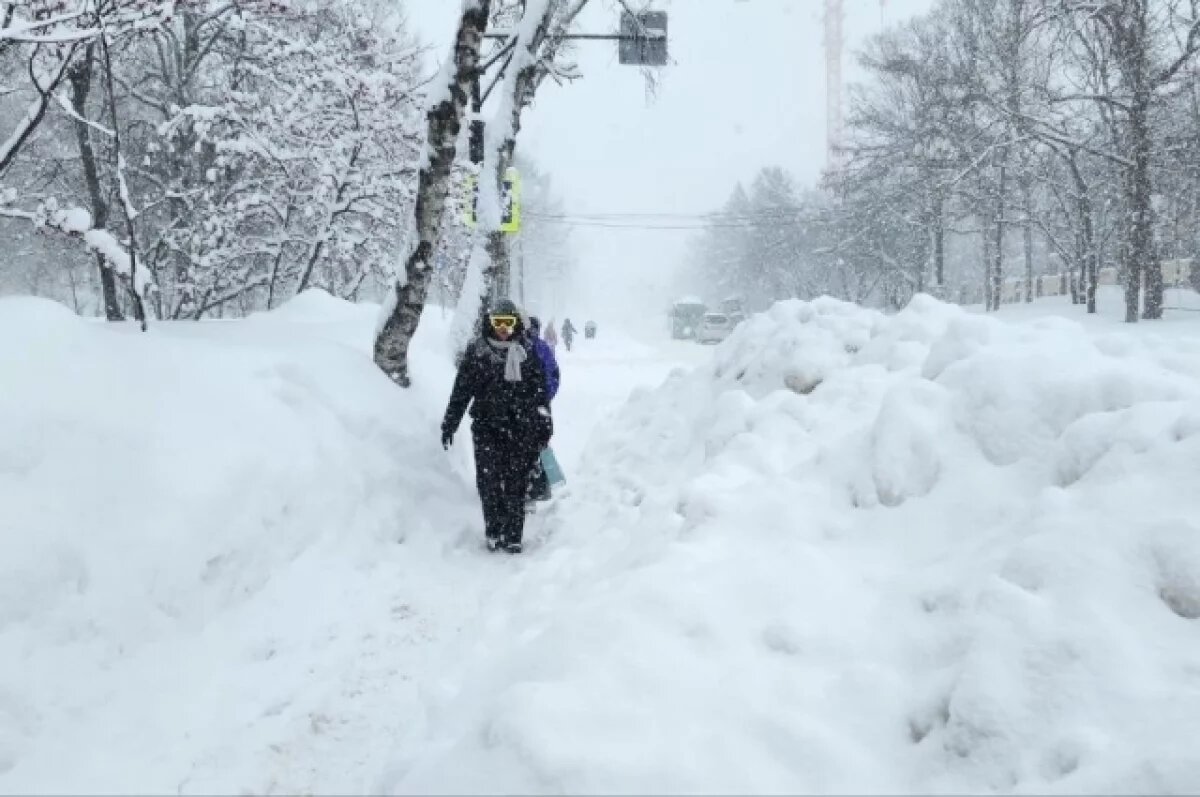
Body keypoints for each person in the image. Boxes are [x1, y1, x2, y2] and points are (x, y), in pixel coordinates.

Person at [441, 299, 553, 554]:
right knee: (489, 482)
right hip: (486, 428)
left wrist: (544, 425)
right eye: (497, 323)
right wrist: (450, 422)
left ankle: (513, 536)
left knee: (516, 482)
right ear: (489, 323)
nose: (503, 328)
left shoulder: (526, 352)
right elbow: (462, 390)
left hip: (521, 429)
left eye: (508, 323)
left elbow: (540, 394)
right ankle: (494, 530)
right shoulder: (477, 352)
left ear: (516, 324)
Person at [525, 316, 560, 503]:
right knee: (540, 443)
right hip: (538, 404)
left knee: (537, 442)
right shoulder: (539, 347)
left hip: (536, 404)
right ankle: (542, 485)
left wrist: (543, 395)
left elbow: (553, 375)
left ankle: (540, 486)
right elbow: (554, 375)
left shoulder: (539, 348)